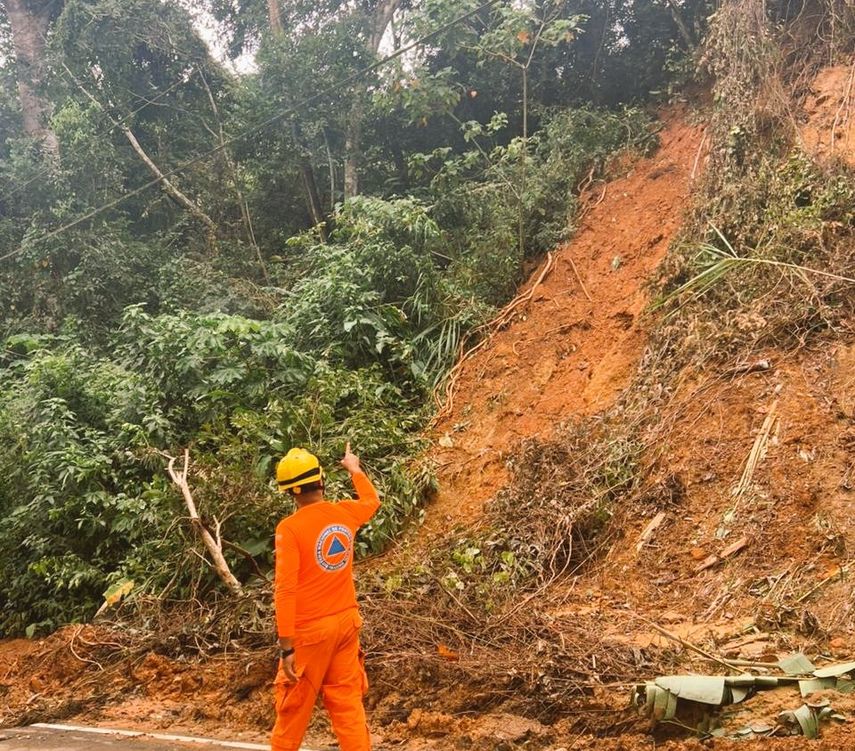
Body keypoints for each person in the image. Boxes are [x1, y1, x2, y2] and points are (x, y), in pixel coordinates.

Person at [271, 442, 380, 751]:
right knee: (348, 707)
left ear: (290, 492)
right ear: (321, 479)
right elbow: (371, 501)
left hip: (310, 634)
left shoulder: (289, 529)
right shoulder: (344, 513)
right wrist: (354, 469)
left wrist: (286, 647)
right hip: (346, 625)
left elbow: (285, 589)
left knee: (292, 709)